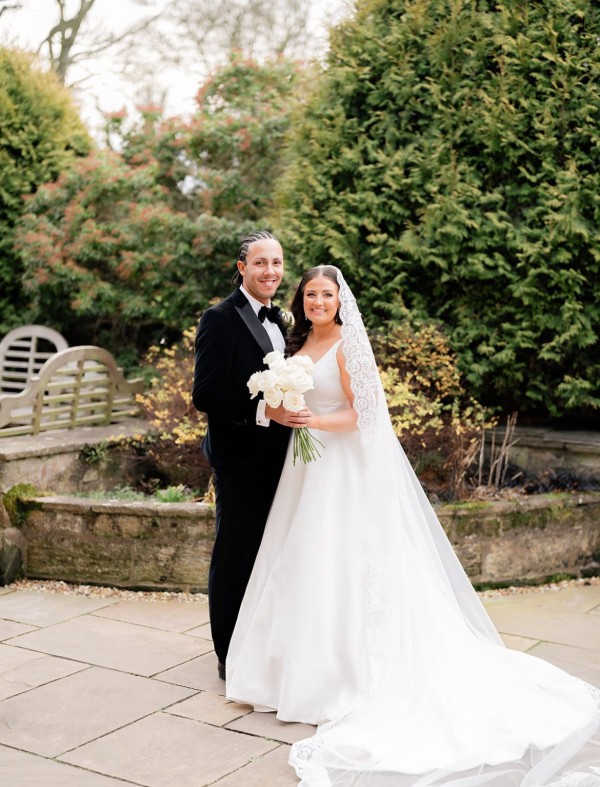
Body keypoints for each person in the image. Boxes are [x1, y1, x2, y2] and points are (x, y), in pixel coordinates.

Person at [225, 264, 600, 786]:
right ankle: (289, 672)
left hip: (343, 470)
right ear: (302, 299)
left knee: (340, 561)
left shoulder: (348, 346)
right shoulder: (298, 343)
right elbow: (285, 401)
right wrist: (281, 405)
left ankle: (342, 677)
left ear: (340, 300)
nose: (317, 302)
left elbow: (366, 413)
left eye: (326, 295)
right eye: (310, 294)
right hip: (305, 470)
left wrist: (314, 421)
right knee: (300, 564)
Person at [192, 230, 310, 680]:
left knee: (272, 554)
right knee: (235, 555)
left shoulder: (280, 319)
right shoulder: (219, 318)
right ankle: (228, 655)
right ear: (242, 268)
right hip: (239, 460)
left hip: (281, 458)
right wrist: (265, 409)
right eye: (260, 263)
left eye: (277, 263)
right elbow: (206, 393)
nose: (270, 272)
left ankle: (261, 641)